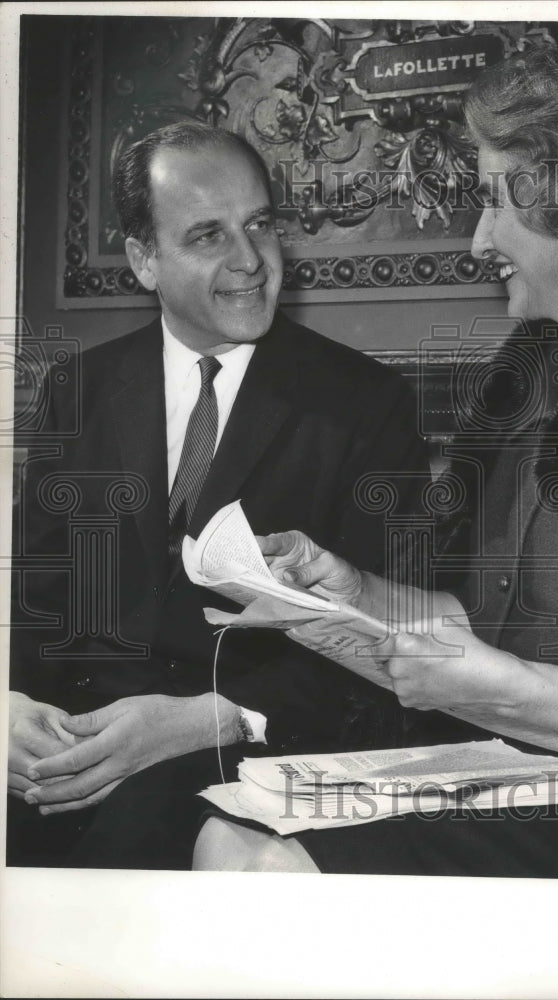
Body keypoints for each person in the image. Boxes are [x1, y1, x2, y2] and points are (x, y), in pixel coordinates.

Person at [194, 48, 558, 882]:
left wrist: (517, 689)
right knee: (228, 835)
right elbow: (481, 619)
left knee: (272, 869)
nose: (477, 239)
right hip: (499, 766)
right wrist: (357, 592)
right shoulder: (517, 391)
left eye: (494, 202)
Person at [8, 122, 429, 868]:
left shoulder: (366, 403)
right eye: (207, 235)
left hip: (236, 765)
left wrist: (216, 718)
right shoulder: (78, 387)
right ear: (144, 260)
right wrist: (10, 709)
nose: (249, 261)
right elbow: (40, 606)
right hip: (61, 756)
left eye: (259, 224)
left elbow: (387, 645)